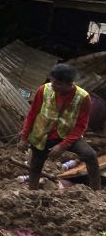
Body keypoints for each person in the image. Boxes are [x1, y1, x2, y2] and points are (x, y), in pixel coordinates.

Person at [19, 63, 100, 191]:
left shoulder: (83, 97)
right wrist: (24, 137)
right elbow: (32, 114)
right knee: (35, 165)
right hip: (42, 135)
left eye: (57, 83)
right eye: (52, 81)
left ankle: (96, 191)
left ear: (69, 83)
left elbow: (81, 126)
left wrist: (63, 145)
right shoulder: (43, 90)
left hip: (68, 135)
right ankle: (32, 191)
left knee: (90, 155)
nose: (53, 85)